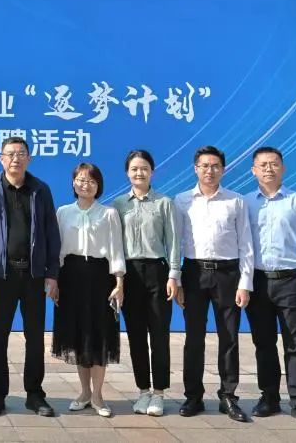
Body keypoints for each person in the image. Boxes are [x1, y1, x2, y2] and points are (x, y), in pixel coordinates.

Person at [0, 136, 60, 418]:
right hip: (1, 276)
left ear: (29, 158)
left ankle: (35, 395)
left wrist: (52, 273)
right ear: (1, 158)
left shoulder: (40, 189)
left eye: (21, 153)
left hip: (33, 275)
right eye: (10, 154)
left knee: (34, 338)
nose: (16, 158)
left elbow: (51, 233)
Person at [244, 147, 296, 428]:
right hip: (258, 282)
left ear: (283, 168)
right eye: (263, 164)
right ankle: (269, 397)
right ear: (253, 170)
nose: (268, 169)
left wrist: (295, 263)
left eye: (274, 164)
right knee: (263, 342)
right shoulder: (245, 203)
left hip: (291, 281)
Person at [175, 145, 254, 422]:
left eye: (215, 166)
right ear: (195, 168)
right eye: (204, 166)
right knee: (193, 338)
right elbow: (176, 243)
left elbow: (246, 244)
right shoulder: (182, 201)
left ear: (223, 169)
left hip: (228, 275)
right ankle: (193, 396)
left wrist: (245, 283)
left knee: (229, 337)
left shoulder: (236, 201)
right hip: (194, 273)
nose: (210, 171)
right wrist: (177, 279)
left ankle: (228, 396)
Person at [52, 163, 125, 418]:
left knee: (99, 336)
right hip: (70, 277)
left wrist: (119, 283)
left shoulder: (108, 213)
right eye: (81, 180)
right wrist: (54, 281)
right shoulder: (63, 212)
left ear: (98, 186)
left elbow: (116, 249)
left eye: (91, 181)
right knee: (78, 336)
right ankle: (84, 392)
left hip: (100, 278)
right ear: (73, 183)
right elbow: (57, 251)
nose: (86, 185)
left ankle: (98, 396)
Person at [110, 150, 179, 417]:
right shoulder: (118, 205)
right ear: (127, 173)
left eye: (144, 168)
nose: (139, 173)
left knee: (159, 335)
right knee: (136, 336)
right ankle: (142, 391)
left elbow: (173, 242)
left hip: (157, 272)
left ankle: (159, 392)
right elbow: (115, 245)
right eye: (134, 169)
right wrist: (117, 279)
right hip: (130, 274)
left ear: (152, 171)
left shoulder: (164, 203)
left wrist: (174, 275)